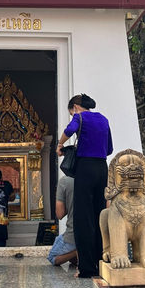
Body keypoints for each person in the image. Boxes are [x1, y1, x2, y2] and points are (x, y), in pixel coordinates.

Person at [56, 93, 112, 278]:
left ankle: (87, 269)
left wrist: (60, 144)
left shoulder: (79, 117)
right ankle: (101, 263)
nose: (72, 114)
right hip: (102, 168)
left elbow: (70, 129)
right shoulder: (103, 119)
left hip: (85, 169)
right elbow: (109, 148)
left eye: (71, 111)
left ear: (75, 107)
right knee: (99, 215)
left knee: (83, 218)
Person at [47, 174, 77, 267]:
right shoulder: (101, 175)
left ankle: (79, 251)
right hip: (96, 234)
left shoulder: (66, 180)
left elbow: (60, 214)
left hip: (73, 235)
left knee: (52, 257)